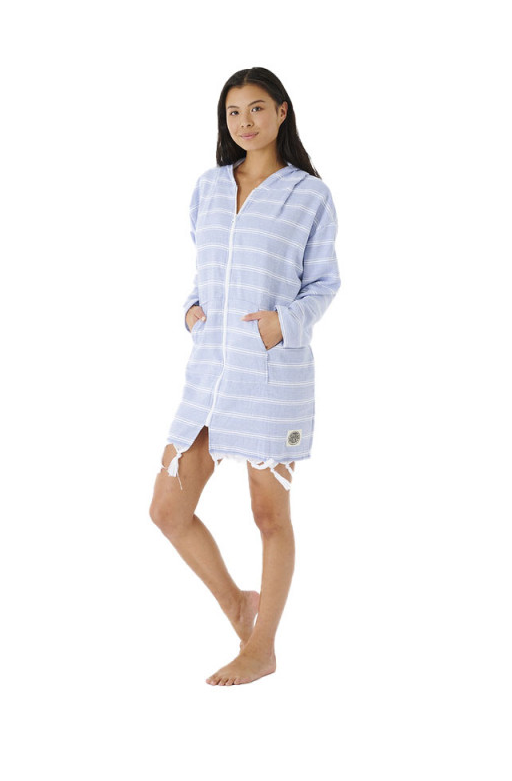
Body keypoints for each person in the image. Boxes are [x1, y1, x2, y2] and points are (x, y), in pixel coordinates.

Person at [148, 67, 341, 685]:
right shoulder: (208, 187)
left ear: (282, 112)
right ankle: (238, 606)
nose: (245, 122)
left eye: (257, 108)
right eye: (233, 112)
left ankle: (262, 649)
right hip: (209, 370)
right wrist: (191, 310)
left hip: (271, 373)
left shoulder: (308, 195)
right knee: (167, 509)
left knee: (268, 515)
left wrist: (282, 325)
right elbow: (207, 268)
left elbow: (323, 284)